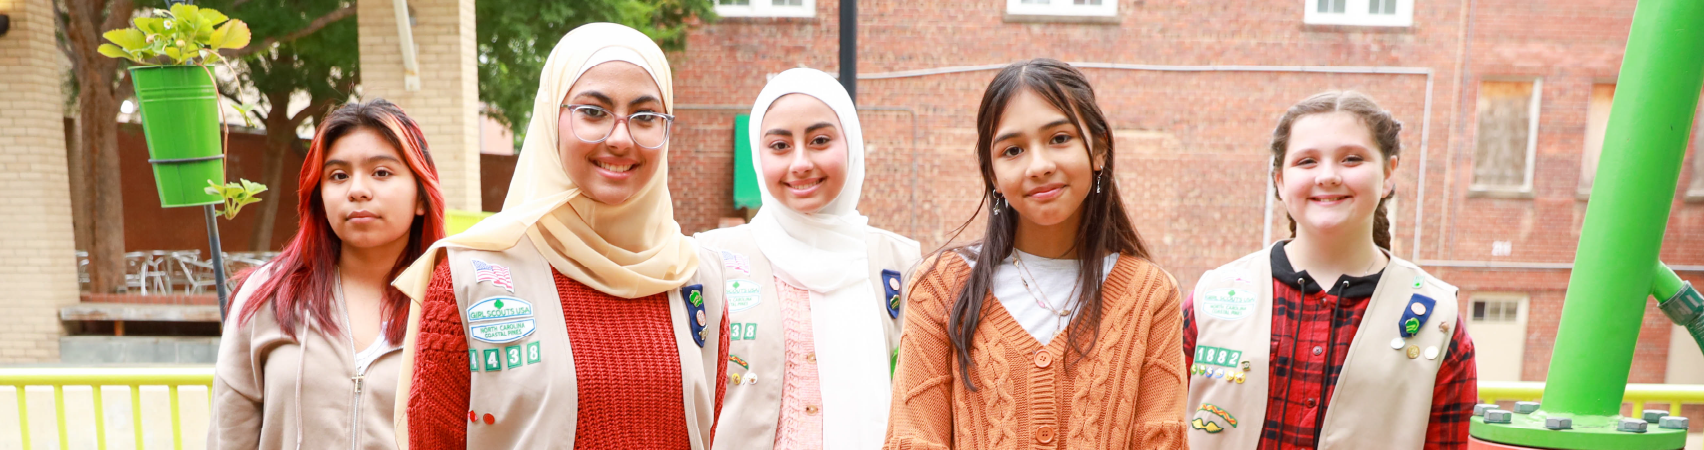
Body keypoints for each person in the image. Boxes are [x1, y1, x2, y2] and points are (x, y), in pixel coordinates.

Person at [389, 23, 729, 449]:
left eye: (645, 117)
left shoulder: (697, 275)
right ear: (552, 117)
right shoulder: (471, 277)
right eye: (593, 112)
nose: (620, 138)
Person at [883, 59, 1188, 449]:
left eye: (1059, 139)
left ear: (1098, 150)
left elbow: (1159, 439)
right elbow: (915, 438)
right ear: (992, 174)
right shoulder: (940, 286)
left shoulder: (1151, 294)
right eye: (1013, 150)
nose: (1039, 166)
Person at [1182, 91, 1478, 449]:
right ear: (1279, 180)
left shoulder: (1436, 320)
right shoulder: (1210, 299)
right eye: (1306, 161)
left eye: (1351, 159)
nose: (1328, 176)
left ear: (1388, 174)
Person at [700, 68, 921, 450]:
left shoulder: (899, 265)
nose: (800, 162)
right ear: (757, 154)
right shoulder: (711, 261)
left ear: (851, 144)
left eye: (820, 140)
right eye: (780, 146)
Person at [209, 99, 447, 450]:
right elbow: (228, 436)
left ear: (421, 198)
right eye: (338, 175)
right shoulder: (268, 296)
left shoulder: (455, 301)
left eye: (382, 172)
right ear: (319, 196)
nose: (357, 190)